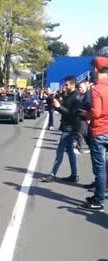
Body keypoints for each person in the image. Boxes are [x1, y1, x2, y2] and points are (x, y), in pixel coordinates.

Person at [79, 57, 108, 211]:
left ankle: (98, 200)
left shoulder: (97, 89)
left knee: (100, 168)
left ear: (96, 69)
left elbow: (96, 113)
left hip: (100, 131)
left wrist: (85, 114)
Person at [42, 76, 81, 183]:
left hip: (70, 127)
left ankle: (52, 174)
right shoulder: (69, 95)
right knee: (69, 151)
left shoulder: (76, 97)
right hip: (66, 126)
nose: (65, 86)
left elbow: (72, 115)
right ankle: (74, 175)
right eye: (64, 84)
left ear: (73, 85)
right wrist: (55, 105)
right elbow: (63, 111)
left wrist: (59, 107)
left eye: (67, 84)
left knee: (59, 151)